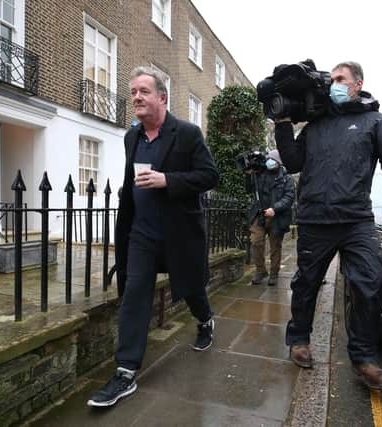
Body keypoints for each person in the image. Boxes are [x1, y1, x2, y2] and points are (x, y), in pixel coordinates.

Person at [274, 61, 382, 391]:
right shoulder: (316, 125)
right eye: (332, 79)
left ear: (357, 84)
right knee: (306, 283)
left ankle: (363, 357)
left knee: (371, 281)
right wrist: (282, 122)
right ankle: (298, 340)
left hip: (355, 221)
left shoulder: (375, 121)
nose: (334, 84)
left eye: (341, 79)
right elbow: (293, 161)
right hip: (314, 219)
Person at [88, 66, 219, 407]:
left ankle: (205, 321)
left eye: (143, 91)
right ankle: (125, 372)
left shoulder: (187, 134)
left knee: (190, 289)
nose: (136, 97)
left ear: (162, 97)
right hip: (142, 234)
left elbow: (209, 176)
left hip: (179, 234)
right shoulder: (132, 137)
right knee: (134, 295)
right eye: (133, 92)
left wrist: (168, 181)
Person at [246, 149, 295, 286]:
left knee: (275, 247)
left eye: (272, 159)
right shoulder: (260, 174)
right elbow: (249, 190)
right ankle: (261, 271)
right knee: (256, 242)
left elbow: (289, 197)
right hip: (260, 214)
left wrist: (275, 208)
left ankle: (274, 273)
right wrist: (248, 175)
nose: (269, 161)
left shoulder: (287, 178)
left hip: (276, 217)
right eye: (268, 159)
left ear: (279, 162)